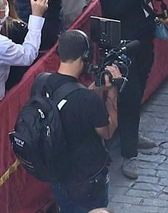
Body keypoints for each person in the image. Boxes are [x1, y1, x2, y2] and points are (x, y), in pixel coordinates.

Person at [97, 0, 168, 179]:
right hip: (123, 41)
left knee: (140, 85)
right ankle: (129, 154)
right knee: (130, 90)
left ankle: (131, 133)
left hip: (146, 33)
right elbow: (114, 10)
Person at [37, 30, 123, 213]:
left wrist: (96, 88)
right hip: (87, 181)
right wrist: (113, 92)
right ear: (85, 56)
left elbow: (70, 102)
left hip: (58, 177)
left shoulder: (41, 82)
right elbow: (108, 131)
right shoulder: (87, 100)